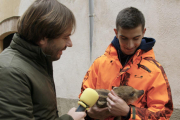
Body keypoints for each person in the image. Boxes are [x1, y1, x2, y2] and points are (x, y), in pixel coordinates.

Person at [80, 7, 173, 120]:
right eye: (124, 38)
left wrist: (129, 112)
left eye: (136, 38)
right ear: (116, 32)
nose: (130, 45)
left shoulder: (155, 70)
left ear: (143, 32)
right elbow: (83, 101)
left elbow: (163, 114)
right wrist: (89, 114)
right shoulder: (99, 64)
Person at [0, 0, 86, 120]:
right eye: (65, 37)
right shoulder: (10, 71)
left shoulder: (37, 63)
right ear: (42, 37)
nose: (70, 44)